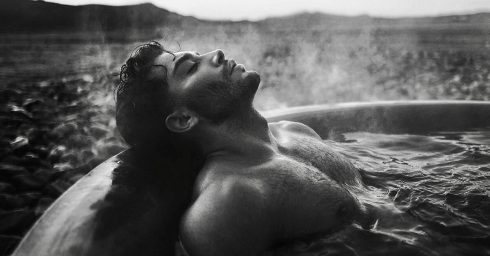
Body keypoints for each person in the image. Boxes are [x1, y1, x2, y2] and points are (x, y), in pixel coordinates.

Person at [114, 41, 374, 256]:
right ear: (183, 119)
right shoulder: (225, 204)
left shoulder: (297, 131)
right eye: (192, 67)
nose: (216, 53)